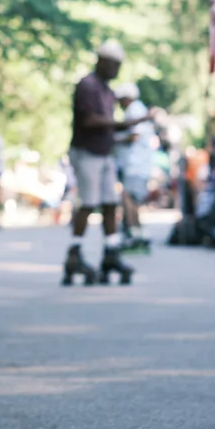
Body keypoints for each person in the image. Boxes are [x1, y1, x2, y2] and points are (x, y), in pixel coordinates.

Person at [63, 41, 151, 285]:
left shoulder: (106, 90)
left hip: (105, 153)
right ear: (102, 61)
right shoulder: (88, 86)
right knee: (89, 203)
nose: (117, 70)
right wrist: (128, 124)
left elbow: (107, 126)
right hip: (87, 152)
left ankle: (110, 251)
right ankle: (74, 252)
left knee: (111, 203)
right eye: (114, 64)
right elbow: (91, 122)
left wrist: (121, 134)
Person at [114, 83, 156, 252]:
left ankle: (133, 232)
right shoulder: (137, 109)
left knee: (128, 198)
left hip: (136, 164)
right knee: (133, 200)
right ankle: (138, 233)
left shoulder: (134, 110)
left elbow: (133, 136)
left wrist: (112, 139)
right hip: (137, 164)